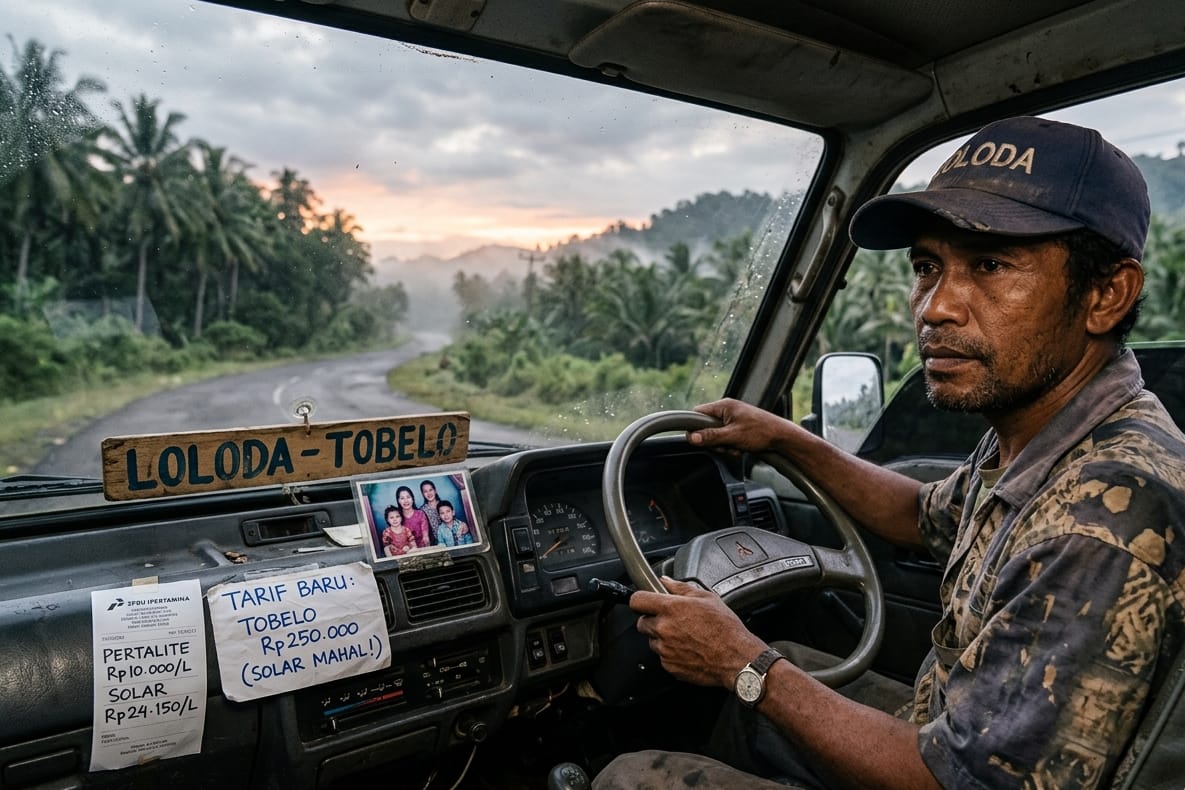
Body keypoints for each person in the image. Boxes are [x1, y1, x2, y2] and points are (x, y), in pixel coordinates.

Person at [593, 117, 1185, 789]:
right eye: (927, 268)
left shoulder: (1103, 513)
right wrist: (784, 437)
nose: (933, 308)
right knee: (778, 673)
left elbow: (954, 780)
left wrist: (741, 663)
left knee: (629, 774)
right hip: (958, 727)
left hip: (950, 772)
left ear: (1105, 295)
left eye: (989, 266)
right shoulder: (1053, 434)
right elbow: (918, 514)